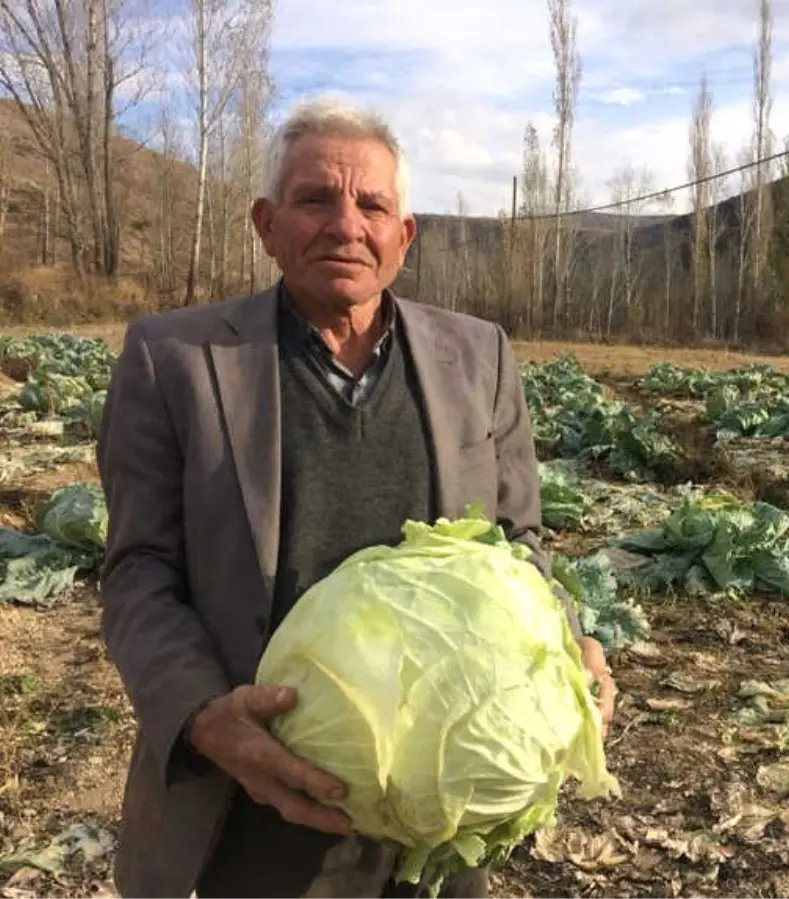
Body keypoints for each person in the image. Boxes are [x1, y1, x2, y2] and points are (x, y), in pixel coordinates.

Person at [96, 96, 617, 899]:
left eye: (373, 203)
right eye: (315, 199)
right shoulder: (176, 360)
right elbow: (138, 571)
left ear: (403, 236)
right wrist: (202, 715)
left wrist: (568, 639)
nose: (346, 224)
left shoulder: (480, 357)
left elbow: (519, 548)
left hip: (446, 802)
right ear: (266, 223)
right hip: (252, 807)